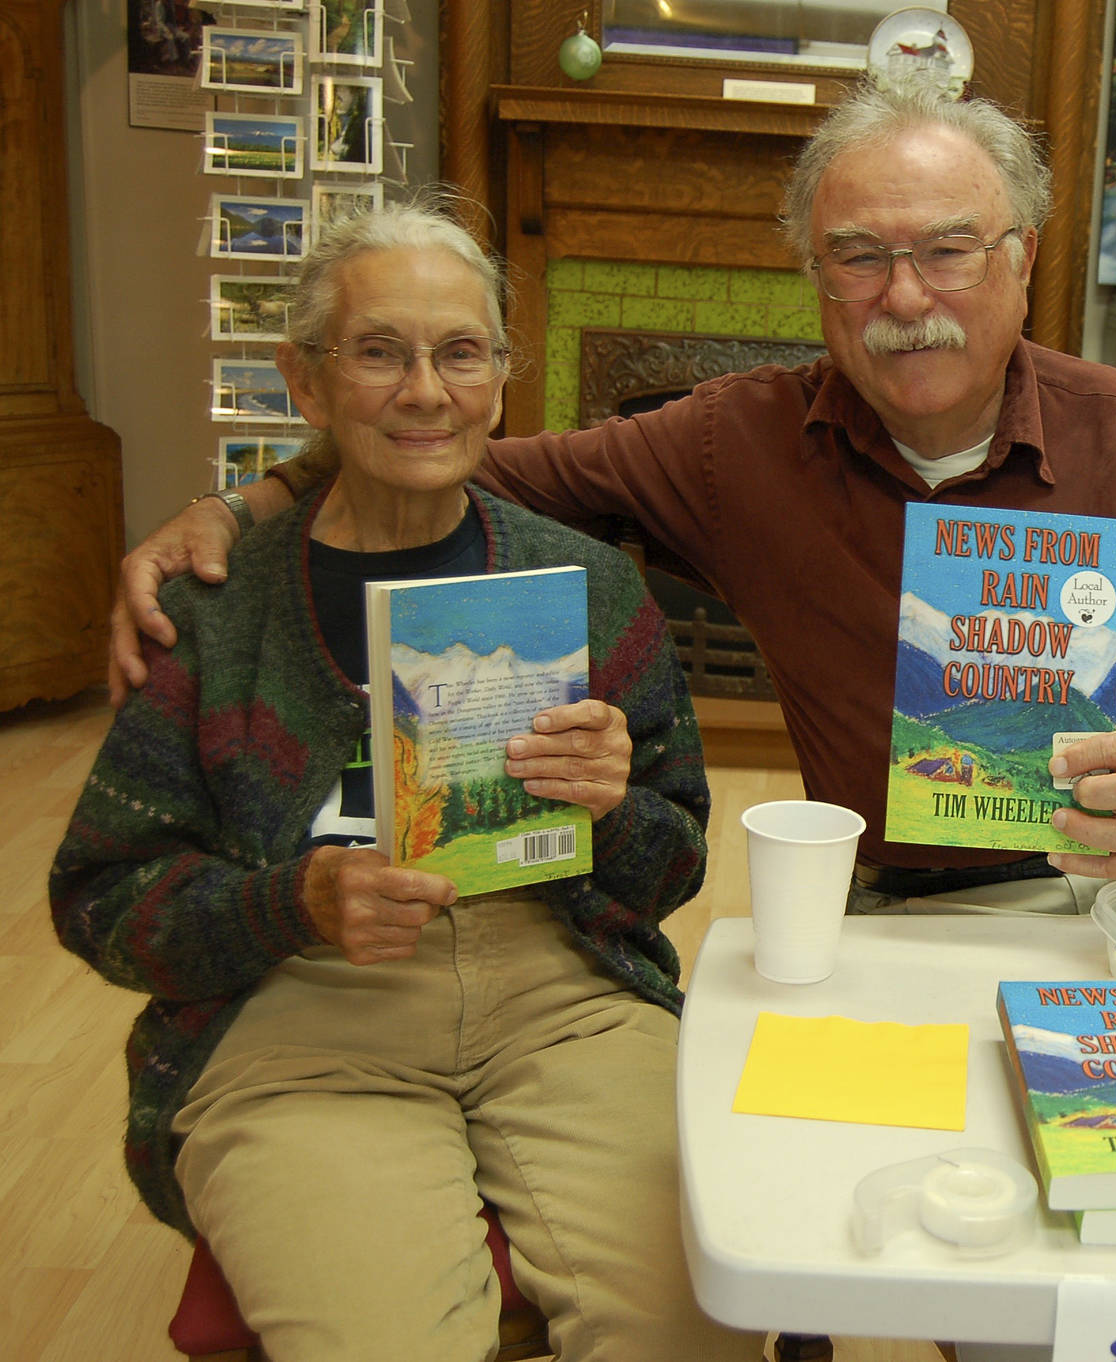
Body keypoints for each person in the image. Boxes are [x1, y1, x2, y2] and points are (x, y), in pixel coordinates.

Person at [110, 84, 1116, 910]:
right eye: (858, 256)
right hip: (888, 907)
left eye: (948, 248)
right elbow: (452, 443)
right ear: (813, 277)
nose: (906, 296)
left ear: (1020, 258)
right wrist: (252, 499)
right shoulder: (733, 444)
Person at [53, 201, 758, 1362]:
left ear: (497, 379)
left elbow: (672, 858)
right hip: (302, 1019)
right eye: (379, 351)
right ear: (306, 383)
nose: (426, 391)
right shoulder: (213, 611)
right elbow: (101, 901)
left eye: (460, 352)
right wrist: (298, 902)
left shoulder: (583, 586)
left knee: (697, 1323)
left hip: (562, 997)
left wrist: (610, 808)